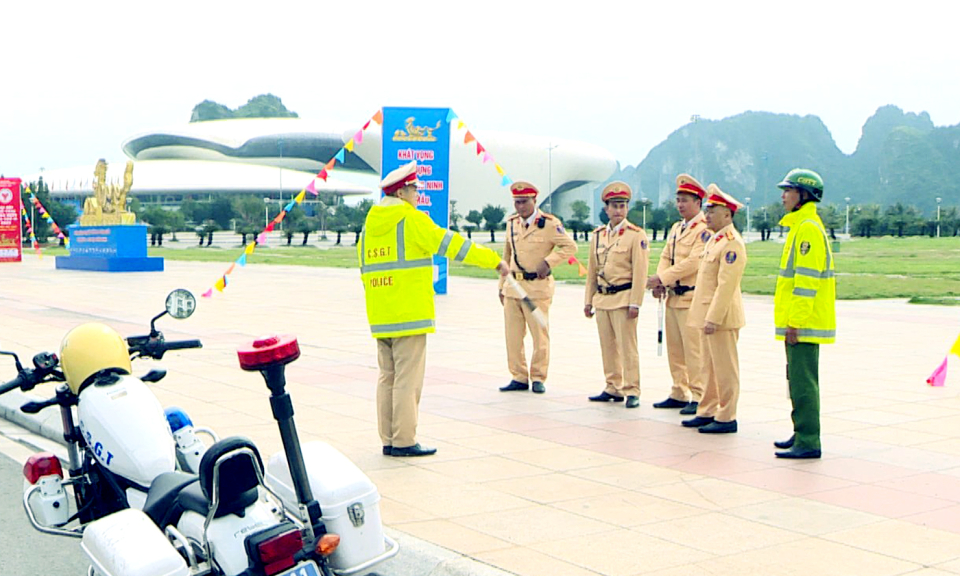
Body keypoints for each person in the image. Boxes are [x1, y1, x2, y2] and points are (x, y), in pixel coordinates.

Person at [359, 161, 509, 457]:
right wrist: (492, 260)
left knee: (386, 377)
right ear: (402, 192)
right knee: (407, 380)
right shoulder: (410, 219)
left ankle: (388, 438)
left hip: (380, 313)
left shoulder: (368, 227)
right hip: (410, 313)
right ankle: (404, 440)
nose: (418, 195)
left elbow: (363, 270)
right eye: (415, 189)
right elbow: (452, 244)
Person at [773, 169, 836, 459]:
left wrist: (795, 322)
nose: (784, 196)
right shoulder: (801, 225)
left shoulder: (808, 228)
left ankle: (809, 440)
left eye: (789, 190)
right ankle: (800, 431)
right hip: (798, 320)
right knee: (796, 380)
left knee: (804, 382)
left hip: (804, 322)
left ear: (804, 195)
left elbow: (806, 282)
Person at [499, 181, 577, 394]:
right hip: (513, 286)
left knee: (539, 335)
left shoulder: (550, 223)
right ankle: (518, 375)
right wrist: (501, 285)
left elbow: (570, 246)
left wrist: (549, 262)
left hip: (537, 287)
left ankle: (538, 377)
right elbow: (506, 255)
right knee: (513, 336)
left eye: (524, 202)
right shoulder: (512, 223)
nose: (520, 207)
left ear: (535, 200)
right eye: (517, 202)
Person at [681, 184, 747, 434]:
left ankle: (727, 415)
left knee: (725, 369)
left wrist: (713, 318)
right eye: (706, 210)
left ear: (727, 215)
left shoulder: (732, 243)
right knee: (707, 368)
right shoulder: (714, 240)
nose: (707, 215)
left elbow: (725, 287)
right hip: (706, 315)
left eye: (713, 211)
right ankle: (707, 409)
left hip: (721, 318)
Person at [647, 174, 710, 415]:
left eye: (685, 200)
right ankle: (679, 390)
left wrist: (663, 278)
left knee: (693, 350)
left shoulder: (703, 230)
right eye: (678, 200)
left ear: (698, 202)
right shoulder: (676, 228)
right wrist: (661, 281)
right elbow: (666, 256)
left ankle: (698, 394)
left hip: (690, 298)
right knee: (675, 349)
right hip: (672, 296)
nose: (680, 205)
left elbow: (694, 262)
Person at [584, 182, 650, 408]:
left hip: (624, 298)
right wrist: (588, 300)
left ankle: (632, 389)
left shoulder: (636, 235)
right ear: (606, 208)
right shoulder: (598, 235)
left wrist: (636, 303)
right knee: (608, 346)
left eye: (622, 206)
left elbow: (641, 273)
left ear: (627, 209)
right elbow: (591, 270)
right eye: (614, 206)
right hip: (602, 298)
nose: (618, 210)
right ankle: (613, 386)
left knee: (627, 347)